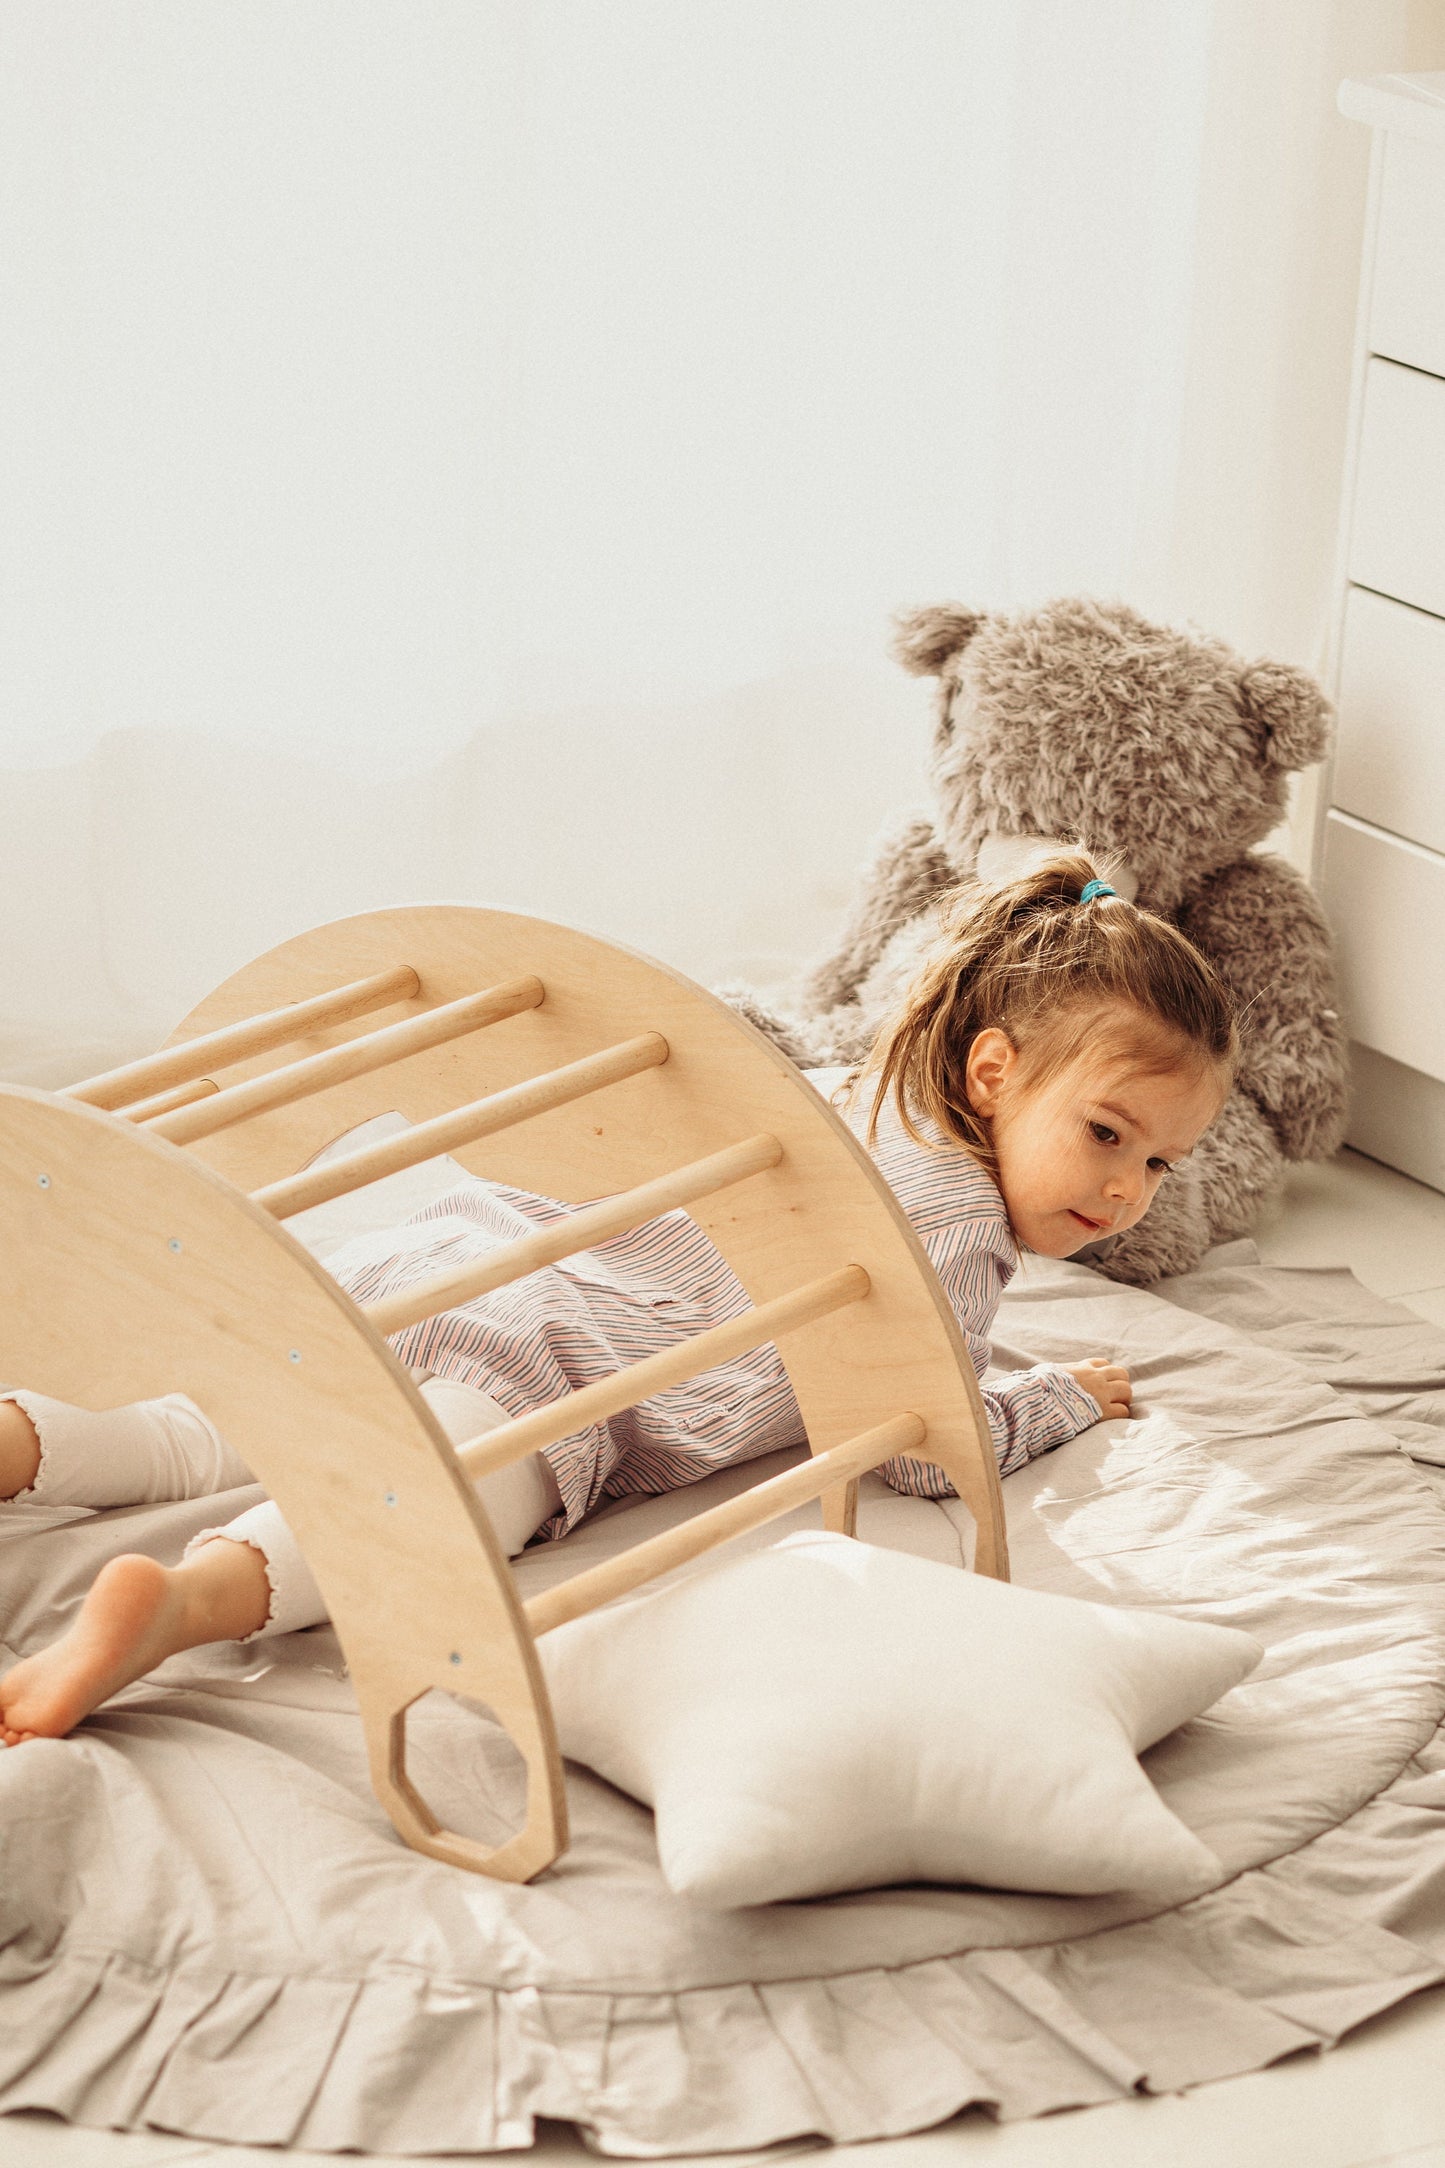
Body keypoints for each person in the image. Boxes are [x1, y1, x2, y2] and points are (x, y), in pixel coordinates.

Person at [0, 852, 1237, 1746]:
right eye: (1106, 1134)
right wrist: (1052, 1401)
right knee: (393, 1510)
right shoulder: (957, 1234)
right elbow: (923, 1433)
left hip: (462, 1252)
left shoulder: (837, 1085)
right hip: (561, 1379)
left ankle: (23, 1440)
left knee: (209, 1416)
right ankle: (181, 1601)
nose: (1125, 1190)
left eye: (1158, 1162)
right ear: (992, 1069)